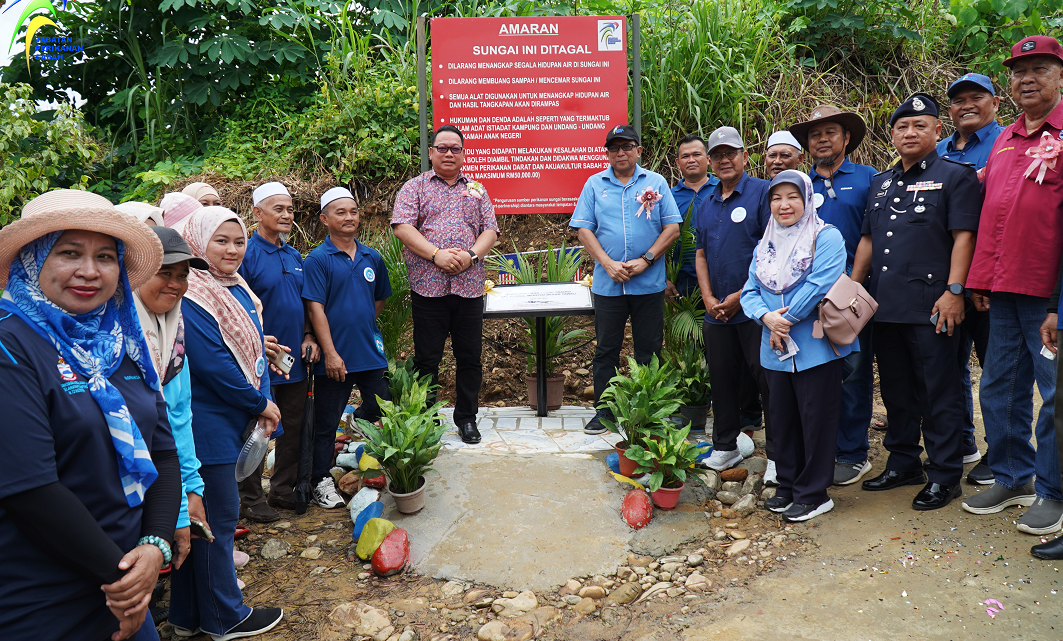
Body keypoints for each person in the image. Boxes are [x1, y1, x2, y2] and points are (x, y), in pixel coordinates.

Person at [0, 189, 180, 641]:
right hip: (43, 600)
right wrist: (126, 580)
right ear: (31, 260)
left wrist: (155, 546)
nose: (89, 271)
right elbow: (30, 490)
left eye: (105, 256)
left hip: (124, 586)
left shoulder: (120, 343)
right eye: (69, 253)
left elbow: (163, 451)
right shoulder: (11, 345)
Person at [851, 93, 980, 511]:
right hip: (886, 305)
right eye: (902, 126)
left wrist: (955, 291)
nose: (910, 132)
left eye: (920, 125)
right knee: (896, 390)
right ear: (892, 134)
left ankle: (944, 474)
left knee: (938, 391)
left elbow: (964, 237)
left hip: (933, 306)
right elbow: (868, 240)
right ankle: (903, 462)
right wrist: (852, 291)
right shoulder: (881, 182)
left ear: (938, 130)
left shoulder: (955, 176)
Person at [961, 35, 1063, 536]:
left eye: (1039, 69)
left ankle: (1054, 491)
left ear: (1060, 76)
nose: (1028, 79)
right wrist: (981, 278)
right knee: (999, 385)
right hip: (1004, 289)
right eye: (1020, 71)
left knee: (1056, 394)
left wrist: (1058, 303)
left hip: (1049, 294)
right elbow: (992, 214)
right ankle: (1013, 477)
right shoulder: (1005, 139)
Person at [170, 207, 284, 640]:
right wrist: (260, 402)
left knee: (203, 522)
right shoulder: (194, 292)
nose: (232, 249)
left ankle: (187, 615)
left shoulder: (232, 286)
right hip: (208, 420)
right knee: (216, 519)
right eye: (221, 241)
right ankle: (224, 616)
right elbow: (213, 363)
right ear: (198, 242)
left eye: (238, 241)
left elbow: (245, 348)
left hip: (229, 415)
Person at [741, 170, 850, 521]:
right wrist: (765, 317)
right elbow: (749, 291)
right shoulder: (765, 244)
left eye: (792, 197)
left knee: (816, 421)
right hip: (774, 349)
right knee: (782, 419)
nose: (784, 205)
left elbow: (820, 283)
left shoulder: (826, 236)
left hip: (815, 347)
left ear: (807, 199)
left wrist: (784, 319)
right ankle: (788, 485)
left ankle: (814, 493)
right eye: (776, 198)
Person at [569, 124, 681, 435]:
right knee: (606, 350)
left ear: (638, 151)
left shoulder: (656, 182)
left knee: (649, 350)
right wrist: (607, 263)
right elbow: (583, 229)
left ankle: (650, 412)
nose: (621, 152)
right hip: (609, 285)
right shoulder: (595, 184)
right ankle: (604, 412)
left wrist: (647, 260)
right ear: (607, 153)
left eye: (627, 146)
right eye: (614, 147)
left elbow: (672, 228)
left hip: (649, 284)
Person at [392, 125, 500, 444]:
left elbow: (490, 230)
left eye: (455, 148)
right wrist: (436, 254)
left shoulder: (477, 189)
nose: (449, 153)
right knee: (427, 359)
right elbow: (402, 227)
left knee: (470, 358)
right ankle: (426, 419)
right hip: (428, 289)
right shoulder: (415, 188)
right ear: (431, 153)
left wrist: (471, 255)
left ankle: (467, 419)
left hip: (469, 288)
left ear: (463, 154)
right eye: (442, 148)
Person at [789, 105, 878, 487]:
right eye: (815, 134)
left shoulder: (868, 178)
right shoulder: (799, 184)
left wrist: (849, 289)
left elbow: (874, 234)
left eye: (830, 132)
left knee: (854, 370)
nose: (822, 139)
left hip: (853, 293)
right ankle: (819, 447)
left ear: (846, 138)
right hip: (806, 298)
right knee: (817, 373)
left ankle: (853, 452)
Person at [937, 72, 1006, 484]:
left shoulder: (1006, 143)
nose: (967, 105)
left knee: (997, 369)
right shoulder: (938, 150)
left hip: (990, 279)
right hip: (945, 278)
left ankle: (1002, 455)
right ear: (949, 111)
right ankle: (963, 441)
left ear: (995, 102)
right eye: (958, 100)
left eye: (976, 97)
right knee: (949, 364)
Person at [304, 187, 392, 509]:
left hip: (368, 351)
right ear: (325, 219)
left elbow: (379, 298)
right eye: (340, 212)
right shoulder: (318, 260)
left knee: (384, 403)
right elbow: (315, 308)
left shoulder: (372, 257)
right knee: (326, 424)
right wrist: (330, 352)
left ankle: (356, 420)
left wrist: (361, 324)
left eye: (353, 211)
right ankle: (319, 480)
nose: (349, 217)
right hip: (335, 356)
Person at [237, 182, 320, 521]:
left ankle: (283, 489)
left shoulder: (294, 255)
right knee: (258, 428)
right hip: (260, 360)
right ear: (258, 213)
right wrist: (257, 341)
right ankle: (250, 498)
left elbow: (304, 303)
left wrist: (308, 335)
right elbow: (236, 307)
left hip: (294, 359)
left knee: (294, 424)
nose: (287, 215)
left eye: (290, 209)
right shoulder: (245, 254)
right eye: (279, 209)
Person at [693, 126, 773, 471]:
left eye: (731, 153)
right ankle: (725, 446)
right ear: (710, 162)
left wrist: (742, 295)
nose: (724, 160)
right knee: (722, 381)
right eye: (717, 155)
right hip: (717, 313)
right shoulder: (706, 201)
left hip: (756, 309)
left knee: (768, 382)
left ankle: (779, 456)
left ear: (745, 156)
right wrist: (708, 297)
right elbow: (700, 253)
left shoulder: (763, 192)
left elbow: (772, 250)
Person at [667, 134, 719, 299]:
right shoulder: (668, 197)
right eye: (685, 156)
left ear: (708, 159)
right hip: (681, 281)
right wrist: (664, 279)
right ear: (677, 163)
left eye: (696, 154)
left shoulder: (724, 189)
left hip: (720, 278)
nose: (691, 160)